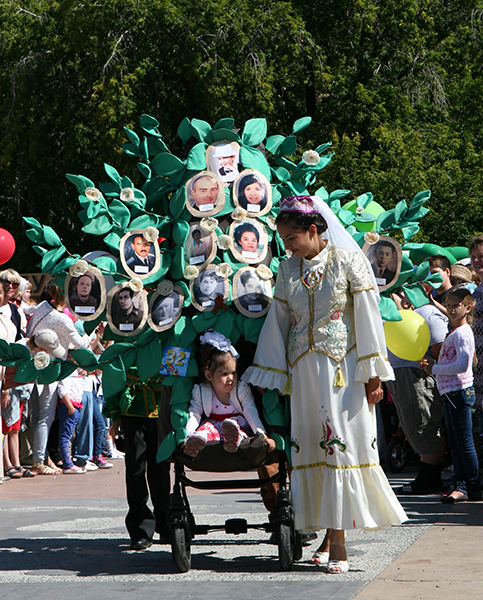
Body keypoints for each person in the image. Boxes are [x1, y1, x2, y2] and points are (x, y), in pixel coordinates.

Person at [243, 195, 406, 573]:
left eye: (291, 238)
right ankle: (326, 534)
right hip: (304, 376)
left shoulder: (350, 263)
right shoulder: (287, 270)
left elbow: (367, 318)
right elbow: (278, 323)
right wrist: (268, 371)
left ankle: (341, 544)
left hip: (342, 373)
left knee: (340, 452)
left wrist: (373, 375)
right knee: (311, 453)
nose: (288, 246)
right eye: (284, 240)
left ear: (313, 230)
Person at [26, 283, 97, 475]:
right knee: (45, 418)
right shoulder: (63, 319)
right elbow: (81, 343)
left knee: (37, 417)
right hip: (51, 370)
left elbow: (28, 332)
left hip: (33, 366)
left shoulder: (41, 307)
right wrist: (92, 329)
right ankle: (38, 461)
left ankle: (41, 456)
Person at [420, 287, 481, 503]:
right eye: (448, 306)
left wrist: (434, 369)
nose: (451, 309)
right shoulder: (455, 331)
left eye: (456, 305)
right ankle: (462, 484)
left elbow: (462, 365)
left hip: (459, 392)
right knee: (456, 442)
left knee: (463, 442)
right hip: (451, 393)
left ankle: (470, 486)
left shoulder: (463, 333)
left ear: (467, 307)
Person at [385, 289, 448, 495]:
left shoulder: (428, 314)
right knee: (413, 424)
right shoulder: (394, 314)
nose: (396, 297)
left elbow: (441, 351)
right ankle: (427, 477)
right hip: (401, 377)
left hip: (417, 377)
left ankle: (429, 480)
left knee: (423, 423)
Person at [105, 369, 172, 550]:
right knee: (135, 468)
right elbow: (113, 371)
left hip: (161, 404)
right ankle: (140, 529)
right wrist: (115, 413)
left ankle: (166, 522)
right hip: (132, 408)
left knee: (160, 467)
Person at [183, 331, 276, 457]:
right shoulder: (202, 391)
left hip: (236, 425)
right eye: (224, 374)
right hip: (214, 425)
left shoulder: (240, 390)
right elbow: (194, 414)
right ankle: (195, 443)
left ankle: (233, 440)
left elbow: (251, 412)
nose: (231, 378)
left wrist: (262, 435)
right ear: (209, 375)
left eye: (234, 373)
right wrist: (188, 435)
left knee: (235, 428)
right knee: (206, 430)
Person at [469, 236, 483, 476]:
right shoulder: (478, 288)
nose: (477, 260)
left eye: (482, 256)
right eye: (474, 257)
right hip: (478, 365)